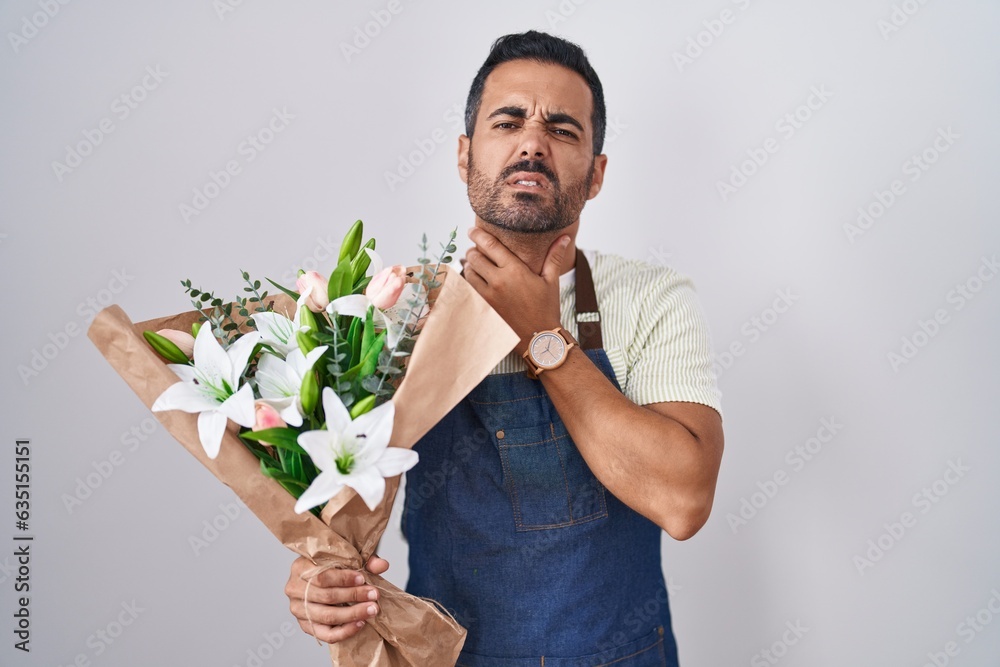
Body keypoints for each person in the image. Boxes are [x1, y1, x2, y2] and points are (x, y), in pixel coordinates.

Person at [285, 30, 724, 666]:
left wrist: (546, 341)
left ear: (596, 173)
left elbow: (683, 503)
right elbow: (344, 525)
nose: (532, 142)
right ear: (465, 156)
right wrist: (319, 580)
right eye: (508, 120)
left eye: (564, 129)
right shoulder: (395, 310)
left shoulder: (651, 298)